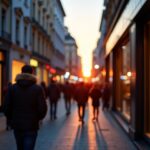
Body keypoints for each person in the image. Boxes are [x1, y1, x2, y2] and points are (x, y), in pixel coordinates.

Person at [3, 65, 47, 150]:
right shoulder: (37, 89)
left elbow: (6, 107)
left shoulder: (12, 88)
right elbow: (43, 108)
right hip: (32, 125)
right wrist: (37, 118)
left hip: (17, 125)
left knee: (20, 147)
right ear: (32, 73)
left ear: (21, 72)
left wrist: (11, 119)